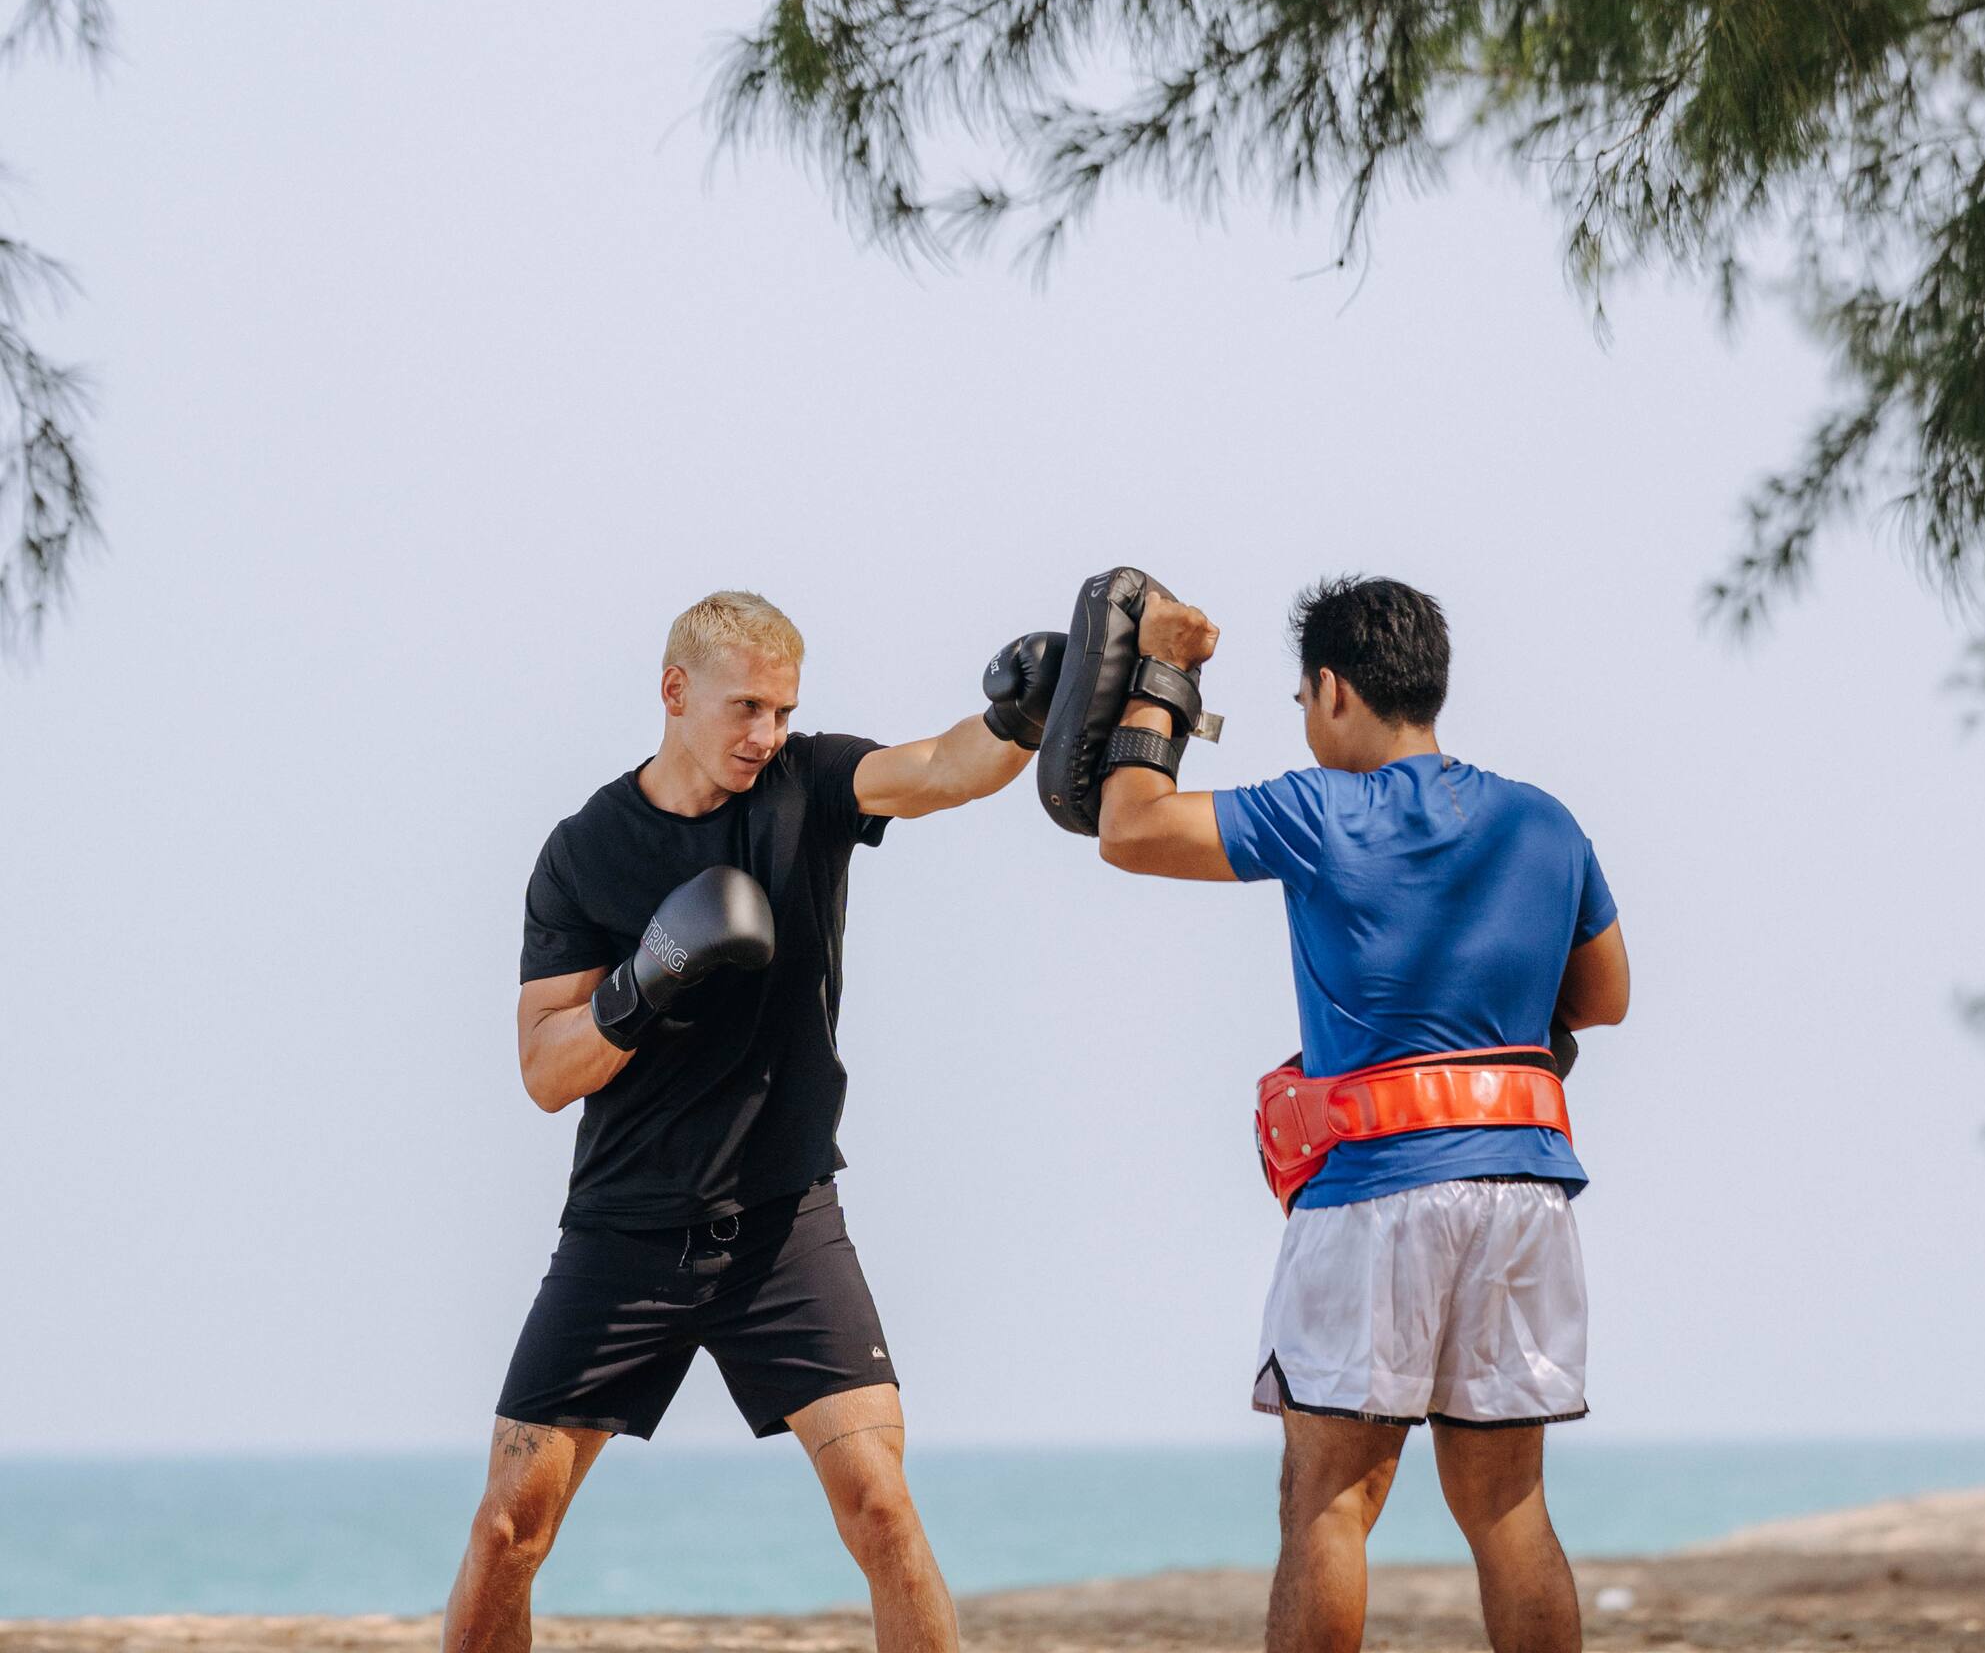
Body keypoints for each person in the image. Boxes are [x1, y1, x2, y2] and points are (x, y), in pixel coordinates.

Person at [445, 590, 1062, 1653]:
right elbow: (545, 1069)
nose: (763, 734)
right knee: (510, 1525)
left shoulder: (805, 783)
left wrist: (1020, 718)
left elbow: (936, 769)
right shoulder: (586, 850)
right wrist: (642, 982)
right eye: (744, 708)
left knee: (879, 1504)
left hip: (783, 1222)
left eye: (780, 709)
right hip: (625, 1229)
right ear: (674, 691)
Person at [1093, 576, 1629, 1653]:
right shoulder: (1544, 821)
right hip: (1522, 1190)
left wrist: (1160, 675)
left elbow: (1127, 824)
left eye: (1300, 698)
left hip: (1375, 1192)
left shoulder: (1320, 808)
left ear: (1332, 690)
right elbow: (1604, 999)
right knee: (1507, 1506)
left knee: (1329, 1501)